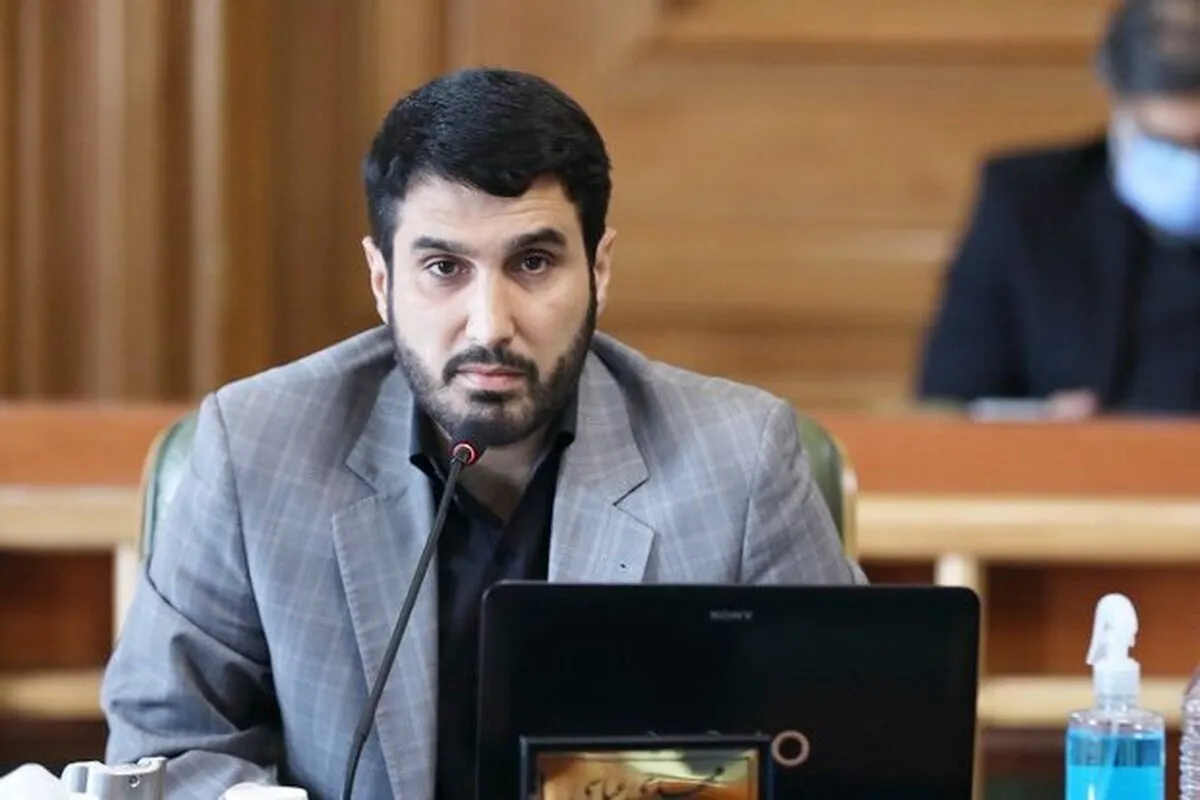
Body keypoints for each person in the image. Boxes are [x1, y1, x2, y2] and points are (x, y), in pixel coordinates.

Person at [100, 67, 864, 800]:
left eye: (533, 263)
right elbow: (163, 754)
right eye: (444, 267)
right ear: (381, 280)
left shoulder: (739, 461)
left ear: (598, 270)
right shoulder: (256, 446)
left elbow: (845, 757)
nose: (489, 326)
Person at [917, 0, 1200, 416]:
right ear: (1115, 92)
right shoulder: (1027, 202)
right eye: (1165, 141)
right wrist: (1040, 421)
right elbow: (947, 402)